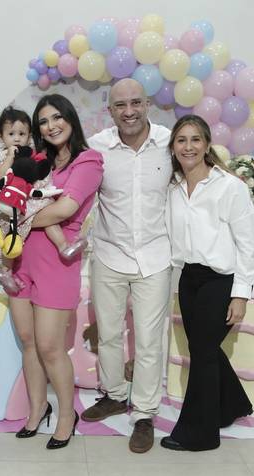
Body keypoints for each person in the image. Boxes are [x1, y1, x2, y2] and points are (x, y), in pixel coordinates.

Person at [0, 94, 103, 449]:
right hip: (19, 261)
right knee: (29, 342)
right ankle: (37, 409)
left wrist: (17, 218)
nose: (51, 126)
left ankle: (66, 416)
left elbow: (64, 209)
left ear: (71, 118)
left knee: (50, 347)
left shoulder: (88, 161)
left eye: (57, 117)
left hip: (56, 265)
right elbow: (5, 192)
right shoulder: (35, 159)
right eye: (43, 121)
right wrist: (13, 215)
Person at [83, 78, 173, 453]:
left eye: (136, 102)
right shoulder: (96, 147)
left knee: (149, 340)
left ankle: (145, 414)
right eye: (121, 105)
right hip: (109, 254)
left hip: (156, 256)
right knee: (108, 334)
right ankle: (115, 394)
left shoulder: (170, 143)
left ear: (147, 104)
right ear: (110, 110)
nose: (129, 111)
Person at [161, 114, 254, 452]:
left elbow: (247, 244)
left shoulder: (229, 187)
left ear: (206, 145)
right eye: (181, 140)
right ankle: (232, 405)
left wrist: (241, 294)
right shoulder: (172, 188)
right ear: (173, 147)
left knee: (201, 354)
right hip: (189, 279)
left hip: (220, 281)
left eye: (195, 139)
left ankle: (199, 433)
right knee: (204, 349)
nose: (188, 147)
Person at [0, 106, 86, 294]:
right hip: (9, 199)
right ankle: (5, 270)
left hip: (28, 197)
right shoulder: (1, 154)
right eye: (11, 134)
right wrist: (10, 157)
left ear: (29, 136)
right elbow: (0, 175)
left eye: (22, 134)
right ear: (1, 136)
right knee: (10, 235)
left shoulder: (32, 153)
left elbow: (37, 174)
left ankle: (63, 247)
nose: (17, 138)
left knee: (49, 215)